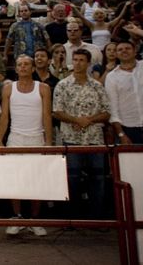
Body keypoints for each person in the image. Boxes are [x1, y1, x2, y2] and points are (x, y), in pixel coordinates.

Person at [0, 55, 53, 236]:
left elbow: (47, 117)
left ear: (33, 68)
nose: (22, 67)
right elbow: (4, 116)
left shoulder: (43, 88)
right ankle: (17, 217)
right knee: (15, 180)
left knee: (36, 181)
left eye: (26, 64)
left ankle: (35, 220)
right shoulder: (8, 89)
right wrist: (0, 140)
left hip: (37, 139)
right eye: (19, 64)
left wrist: (49, 142)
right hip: (15, 139)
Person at [52, 49, 111, 219]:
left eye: (81, 60)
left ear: (88, 63)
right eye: (75, 59)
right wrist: (76, 120)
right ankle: (73, 217)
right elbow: (56, 111)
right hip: (71, 138)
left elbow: (106, 112)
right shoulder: (63, 85)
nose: (77, 63)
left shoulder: (97, 86)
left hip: (94, 139)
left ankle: (98, 217)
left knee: (97, 179)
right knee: (72, 179)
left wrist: (89, 119)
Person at [105, 40, 143, 144]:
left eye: (127, 48)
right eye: (120, 50)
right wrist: (121, 134)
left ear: (135, 51)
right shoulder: (112, 77)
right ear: (116, 54)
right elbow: (113, 107)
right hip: (128, 128)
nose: (124, 51)